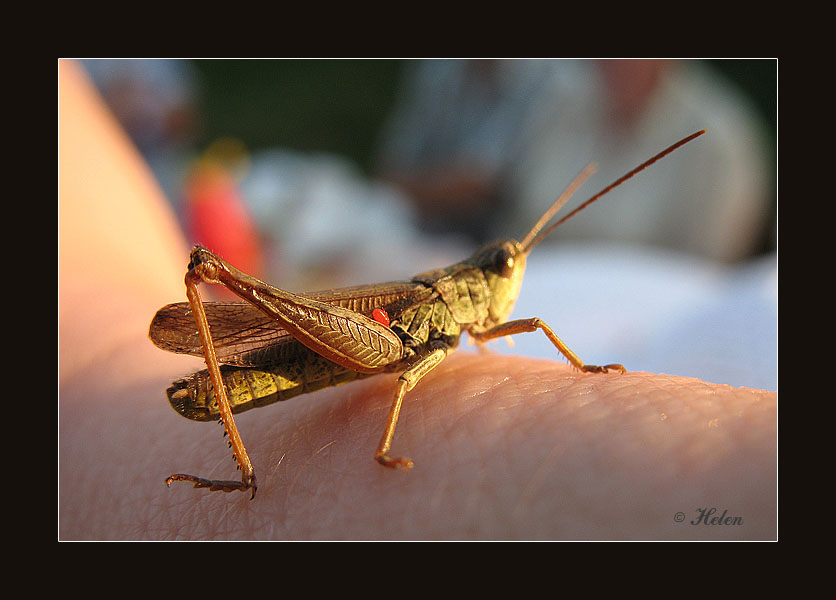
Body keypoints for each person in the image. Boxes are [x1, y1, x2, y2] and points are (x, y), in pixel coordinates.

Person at [59, 60, 776, 540]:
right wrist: (386, 446)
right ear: (483, 272)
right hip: (342, 338)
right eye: (504, 266)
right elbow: (407, 371)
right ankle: (245, 474)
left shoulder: (719, 146)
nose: (511, 279)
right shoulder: (556, 104)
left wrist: (585, 373)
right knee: (244, 277)